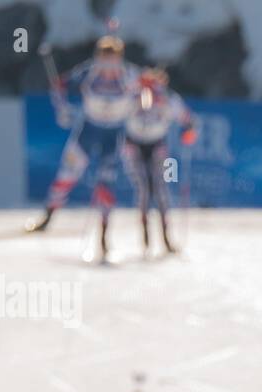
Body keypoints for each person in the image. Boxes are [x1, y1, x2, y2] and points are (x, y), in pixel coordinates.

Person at [27, 36, 138, 258]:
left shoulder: (130, 75)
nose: (107, 65)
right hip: (87, 131)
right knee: (67, 174)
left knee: (106, 184)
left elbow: (149, 95)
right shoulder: (88, 72)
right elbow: (61, 85)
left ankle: (104, 236)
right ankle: (48, 216)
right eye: (103, 58)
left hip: (113, 136)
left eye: (112, 59)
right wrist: (62, 107)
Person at [125, 68, 196, 253]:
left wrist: (188, 130)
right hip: (134, 145)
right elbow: (114, 108)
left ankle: (166, 237)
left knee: (162, 188)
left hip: (158, 145)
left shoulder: (168, 98)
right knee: (143, 189)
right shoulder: (132, 94)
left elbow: (188, 118)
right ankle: (145, 235)